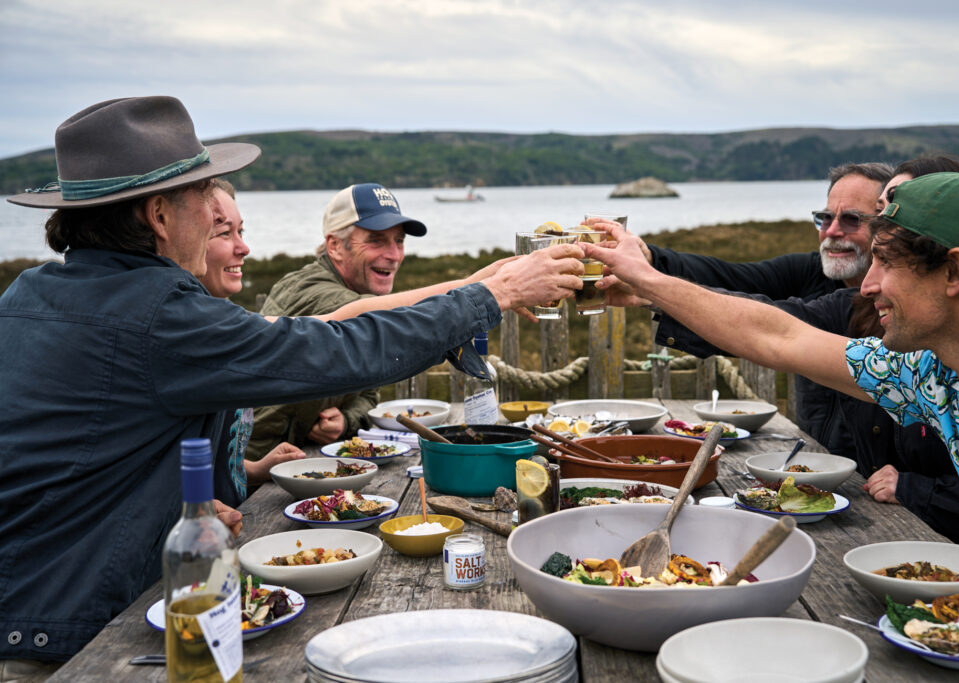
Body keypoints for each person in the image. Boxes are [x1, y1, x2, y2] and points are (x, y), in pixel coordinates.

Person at [0, 95, 583, 664]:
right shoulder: (159, 315)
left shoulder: (31, 294)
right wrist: (494, 296)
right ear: (158, 216)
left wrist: (180, 506)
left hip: (38, 602)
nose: (214, 215)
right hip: (70, 638)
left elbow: (86, 446)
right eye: (206, 197)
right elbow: (335, 348)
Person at [585, 172, 959, 601]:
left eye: (885, 261)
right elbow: (781, 336)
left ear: (953, 272)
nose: (867, 286)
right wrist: (649, 280)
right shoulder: (928, 374)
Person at [642, 162, 893, 455]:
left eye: (852, 219)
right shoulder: (810, 274)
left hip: (884, 488)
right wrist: (650, 260)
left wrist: (910, 486)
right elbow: (728, 277)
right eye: (825, 218)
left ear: (887, 227)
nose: (832, 231)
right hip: (815, 468)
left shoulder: (914, 311)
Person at [246, 182, 508, 462]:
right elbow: (378, 323)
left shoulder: (356, 289)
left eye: (399, 241)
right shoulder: (313, 290)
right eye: (376, 240)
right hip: (246, 479)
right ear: (334, 246)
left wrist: (345, 421)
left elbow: (368, 394)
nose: (394, 255)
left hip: (297, 461)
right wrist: (483, 290)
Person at [200, 178, 306, 498]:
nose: (244, 248)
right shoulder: (195, 333)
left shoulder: (220, 317)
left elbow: (206, 456)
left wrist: (255, 468)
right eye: (223, 232)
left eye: (241, 232)